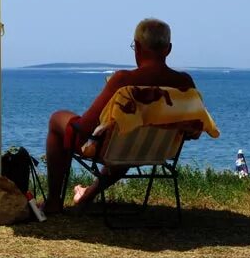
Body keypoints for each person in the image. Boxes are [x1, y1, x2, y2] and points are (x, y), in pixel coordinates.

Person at [41, 18, 195, 214]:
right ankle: (87, 196)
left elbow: (86, 127)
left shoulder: (124, 80)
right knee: (126, 137)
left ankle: (54, 201)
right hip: (158, 151)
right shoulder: (185, 82)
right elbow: (191, 130)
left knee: (58, 118)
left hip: (117, 150)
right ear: (168, 49)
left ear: (138, 47)